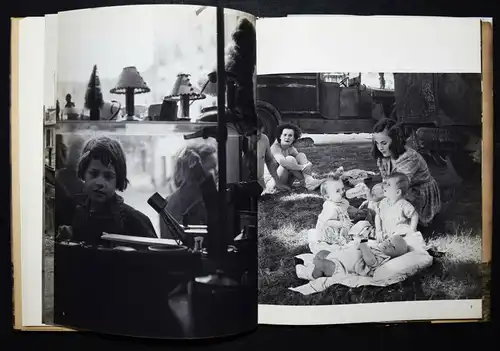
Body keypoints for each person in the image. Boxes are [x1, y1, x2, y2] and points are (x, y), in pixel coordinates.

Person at [57, 136, 157, 245]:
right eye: (94, 174)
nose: (100, 182)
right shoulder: (74, 215)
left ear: (118, 180)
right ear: (83, 173)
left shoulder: (135, 221)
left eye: (108, 176)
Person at [372, 118, 441, 231]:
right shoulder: (383, 158)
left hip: (417, 193)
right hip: (396, 190)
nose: (380, 147)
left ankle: (412, 224)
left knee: (386, 207)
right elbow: (385, 183)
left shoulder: (409, 157)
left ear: (395, 140)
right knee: (376, 203)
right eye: (377, 143)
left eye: (384, 143)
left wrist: (374, 197)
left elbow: (398, 187)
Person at [159, 143, 218, 239]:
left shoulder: (167, 203)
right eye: (211, 168)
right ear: (195, 171)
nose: (216, 173)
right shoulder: (204, 204)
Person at [310, 234, 409, 279]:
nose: (388, 244)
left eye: (393, 247)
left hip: (340, 266)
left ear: (394, 256)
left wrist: (363, 245)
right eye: (389, 240)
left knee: (322, 264)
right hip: (337, 256)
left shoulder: (383, 257)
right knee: (322, 252)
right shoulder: (375, 245)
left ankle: (313, 274)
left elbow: (370, 261)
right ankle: (317, 265)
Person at [269, 123, 323, 191]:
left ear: (294, 138)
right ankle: (306, 182)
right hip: (273, 182)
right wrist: (302, 167)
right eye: (285, 135)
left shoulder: (290, 148)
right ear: (280, 136)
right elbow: (282, 162)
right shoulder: (275, 147)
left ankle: (308, 180)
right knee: (290, 159)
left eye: (290, 135)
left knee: (301, 155)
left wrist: (308, 164)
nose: (287, 137)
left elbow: (301, 159)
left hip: (286, 181)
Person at [308, 177, 353, 253]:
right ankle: (335, 241)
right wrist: (342, 223)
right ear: (328, 197)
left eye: (342, 189)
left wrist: (356, 211)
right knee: (339, 245)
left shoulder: (341, 201)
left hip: (339, 225)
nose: (342, 192)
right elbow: (328, 222)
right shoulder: (331, 208)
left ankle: (344, 234)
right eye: (337, 191)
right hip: (330, 230)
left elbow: (346, 209)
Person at [374, 172, 419, 240]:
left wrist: (412, 229)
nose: (384, 186)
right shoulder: (383, 203)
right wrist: (378, 230)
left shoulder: (403, 204)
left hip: (400, 235)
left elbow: (414, 215)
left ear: (398, 192)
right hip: (386, 233)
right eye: (385, 183)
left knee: (403, 244)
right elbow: (378, 215)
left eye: (388, 185)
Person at [256, 120, 291, 194]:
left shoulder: (264, 139)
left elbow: (269, 160)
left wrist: (277, 183)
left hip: (261, 182)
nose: (258, 137)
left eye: (259, 134)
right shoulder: (239, 141)